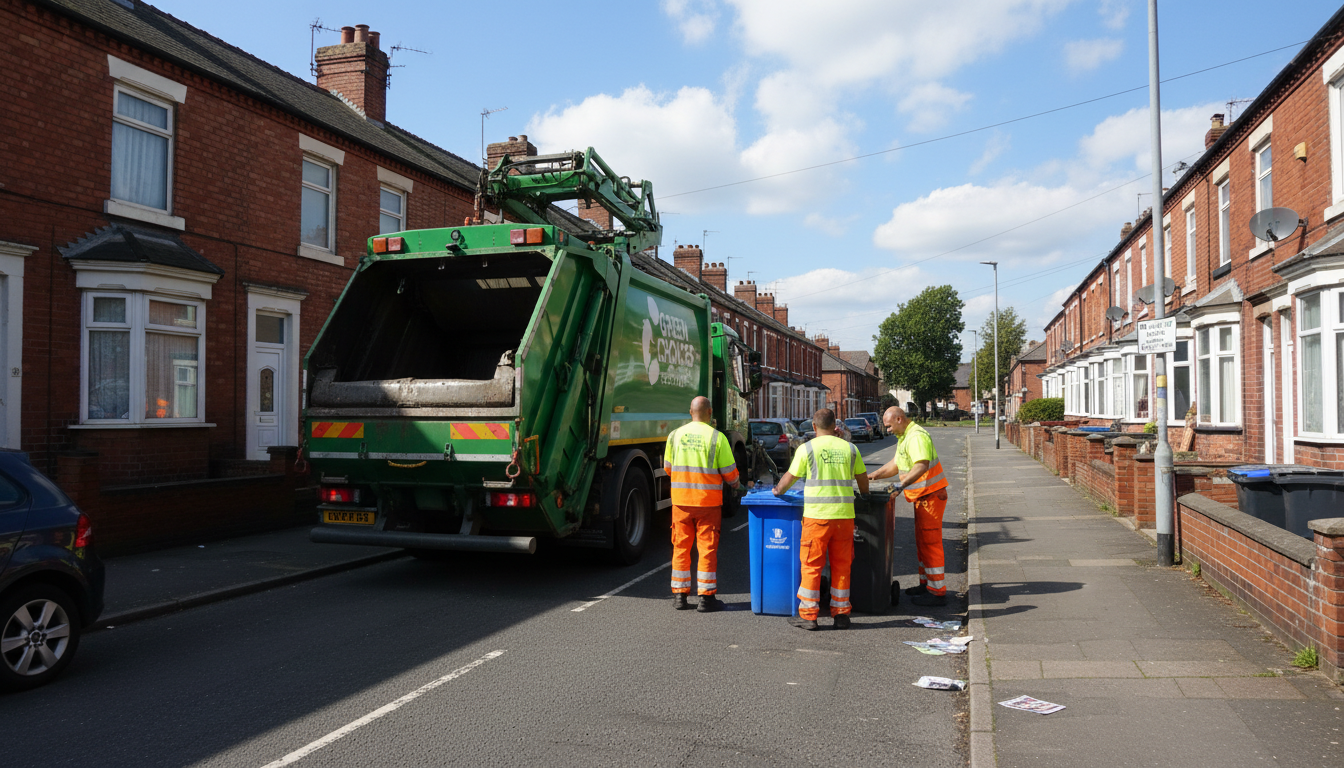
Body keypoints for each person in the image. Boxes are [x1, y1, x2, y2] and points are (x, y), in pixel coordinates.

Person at [774, 408, 869, 630]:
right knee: (842, 565)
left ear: (814, 427)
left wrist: (778, 489)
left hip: (817, 517)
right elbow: (863, 481)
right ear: (835, 426)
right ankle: (842, 614)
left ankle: (809, 615)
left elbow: (790, 477)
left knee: (811, 565)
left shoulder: (807, 449)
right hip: (844, 518)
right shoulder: (850, 449)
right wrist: (865, 494)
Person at [664, 396, 740, 612]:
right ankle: (706, 599)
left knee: (681, 547)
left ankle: (680, 596)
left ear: (690, 412)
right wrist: (737, 484)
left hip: (681, 503)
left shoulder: (674, 436)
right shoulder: (717, 438)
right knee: (706, 548)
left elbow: (668, 468)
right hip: (708, 504)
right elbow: (729, 474)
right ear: (710, 412)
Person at [869, 406, 950, 607]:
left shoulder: (916, 436)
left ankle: (937, 591)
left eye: (888, 426)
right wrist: (875, 475)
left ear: (899, 419)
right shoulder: (905, 437)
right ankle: (927, 584)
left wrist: (900, 485)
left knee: (930, 543)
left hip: (930, 496)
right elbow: (897, 463)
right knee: (923, 542)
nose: (887, 431)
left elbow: (921, 465)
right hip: (923, 496)